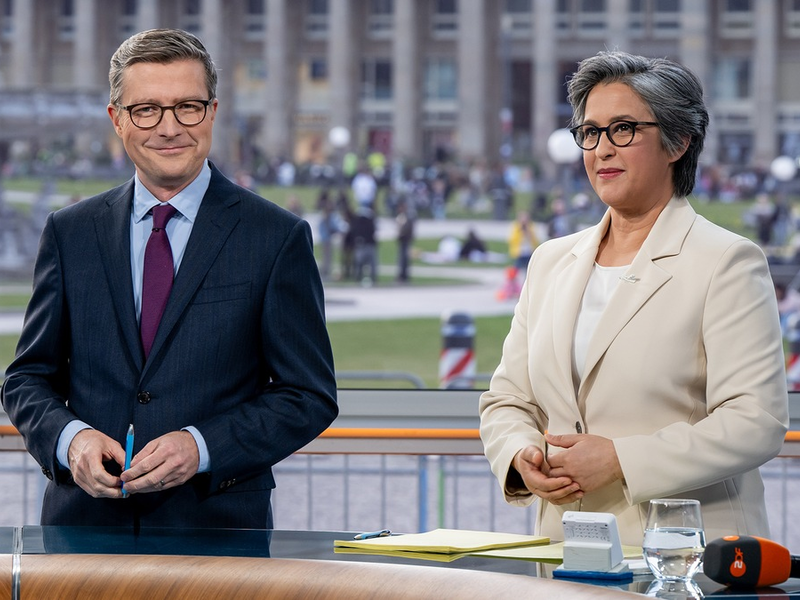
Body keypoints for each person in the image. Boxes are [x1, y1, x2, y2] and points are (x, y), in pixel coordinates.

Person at [0, 28, 338, 528]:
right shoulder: (70, 233)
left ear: (213, 113)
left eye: (187, 107)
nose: (169, 127)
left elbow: (307, 395)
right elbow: (27, 378)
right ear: (117, 121)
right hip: (83, 533)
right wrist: (72, 440)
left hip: (218, 533)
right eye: (147, 110)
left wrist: (202, 447)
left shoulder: (276, 237)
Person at [479, 50, 789, 546]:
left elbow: (756, 421)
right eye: (591, 131)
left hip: (686, 556)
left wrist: (620, 460)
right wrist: (520, 456)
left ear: (678, 142)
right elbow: (507, 400)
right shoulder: (550, 262)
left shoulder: (725, 261)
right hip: (564, 553)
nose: (602, 148)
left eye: (623, 129)